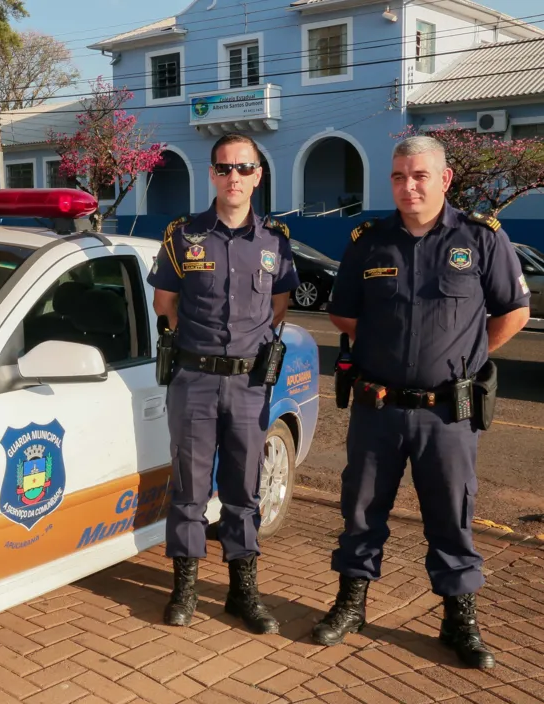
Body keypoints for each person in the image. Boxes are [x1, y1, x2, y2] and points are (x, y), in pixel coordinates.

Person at [314, 136, 530, 669]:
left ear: (444, 179)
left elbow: (513, 311)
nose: (408, 186)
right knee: (361, 510)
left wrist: (469, 355)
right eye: (398, 176)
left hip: (447, 413)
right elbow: (343, 313)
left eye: (419, 176)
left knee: (452, 516)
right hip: (378, 407)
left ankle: (460, 621)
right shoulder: (369, 241)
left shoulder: (480, 240)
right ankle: (350, 604)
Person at [148, 133, 299, 633]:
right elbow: (164, 303)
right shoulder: (182, 234)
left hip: (249, 384)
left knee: (244, 490)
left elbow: (278, 307)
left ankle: (242, 591)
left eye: (243, 167)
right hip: (193, 379)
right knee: (190, 490)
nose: (233, 177)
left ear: (258, 175)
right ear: (211, 174)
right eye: (224, 167)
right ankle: (185, 588)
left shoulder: (275, 240)